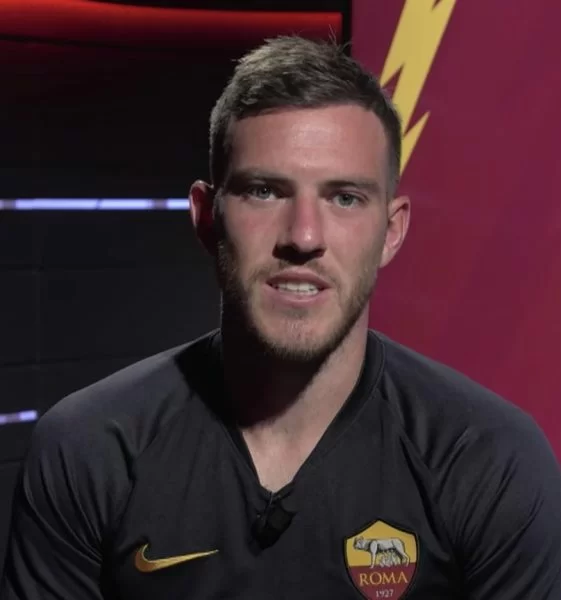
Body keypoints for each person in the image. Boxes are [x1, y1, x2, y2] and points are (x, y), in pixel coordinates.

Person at [1, 36, 560, 600]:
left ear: (391, 232)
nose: (304, 236)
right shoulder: (90, 450)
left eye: (345, 198)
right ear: (207, 217)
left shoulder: (488, 462)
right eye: (265, 191)